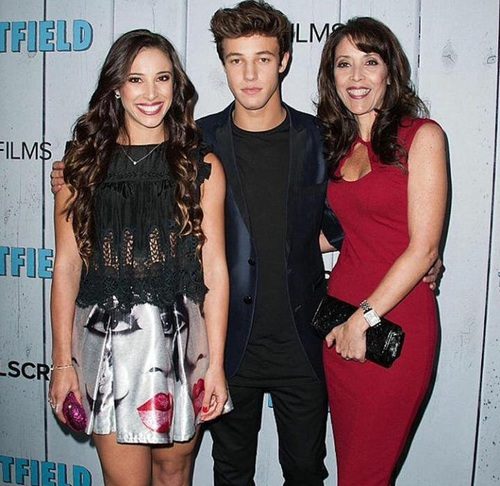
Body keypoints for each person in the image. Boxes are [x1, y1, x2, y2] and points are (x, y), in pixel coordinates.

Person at [50, 4, 442, 485]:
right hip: (226, 343)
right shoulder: (196, 144)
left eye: (262, 59)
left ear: (284, 61)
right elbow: (134, 183)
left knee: (306, 471)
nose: (250, 74)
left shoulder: (321, 137)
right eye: (236, 60)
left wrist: (424, 256)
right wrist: (73, 173)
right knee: (230, 473)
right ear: (223, 64)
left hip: (306, 340)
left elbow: (357, 214)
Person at [49, 29, 230, 486]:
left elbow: (214, 270)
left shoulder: (201, 166)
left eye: (162, 78)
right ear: (116, 87)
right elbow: (67, 266)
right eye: (135, 79)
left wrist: (217, 365)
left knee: (175, 474)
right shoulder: (81, 166)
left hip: (184, 343)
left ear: (176, 85)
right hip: (108, 343)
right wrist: (62, 362)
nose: (151, 93)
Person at [317, 17, 447, 486]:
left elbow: (424, 247)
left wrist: (363, 318)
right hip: (339, 328)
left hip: (394, 326)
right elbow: (339, 231)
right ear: (331, 77)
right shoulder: (336, 147)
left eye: (369, 62)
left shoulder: (422, 137)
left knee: (364, 476)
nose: (356, 77)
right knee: (353, 471)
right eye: (343, 64)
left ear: (390, 71)